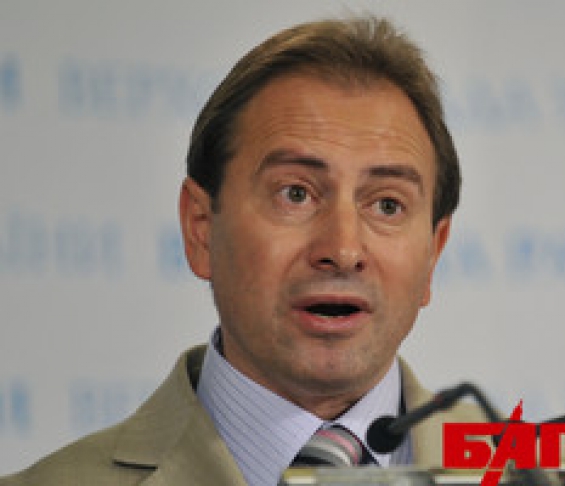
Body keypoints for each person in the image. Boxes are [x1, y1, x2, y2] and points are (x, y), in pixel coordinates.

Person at [0, 15, 485, 486]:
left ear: (433, 253)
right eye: (295, 194)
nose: (342, 249)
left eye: (387, 204)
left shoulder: (526, 469)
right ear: (201, 229)